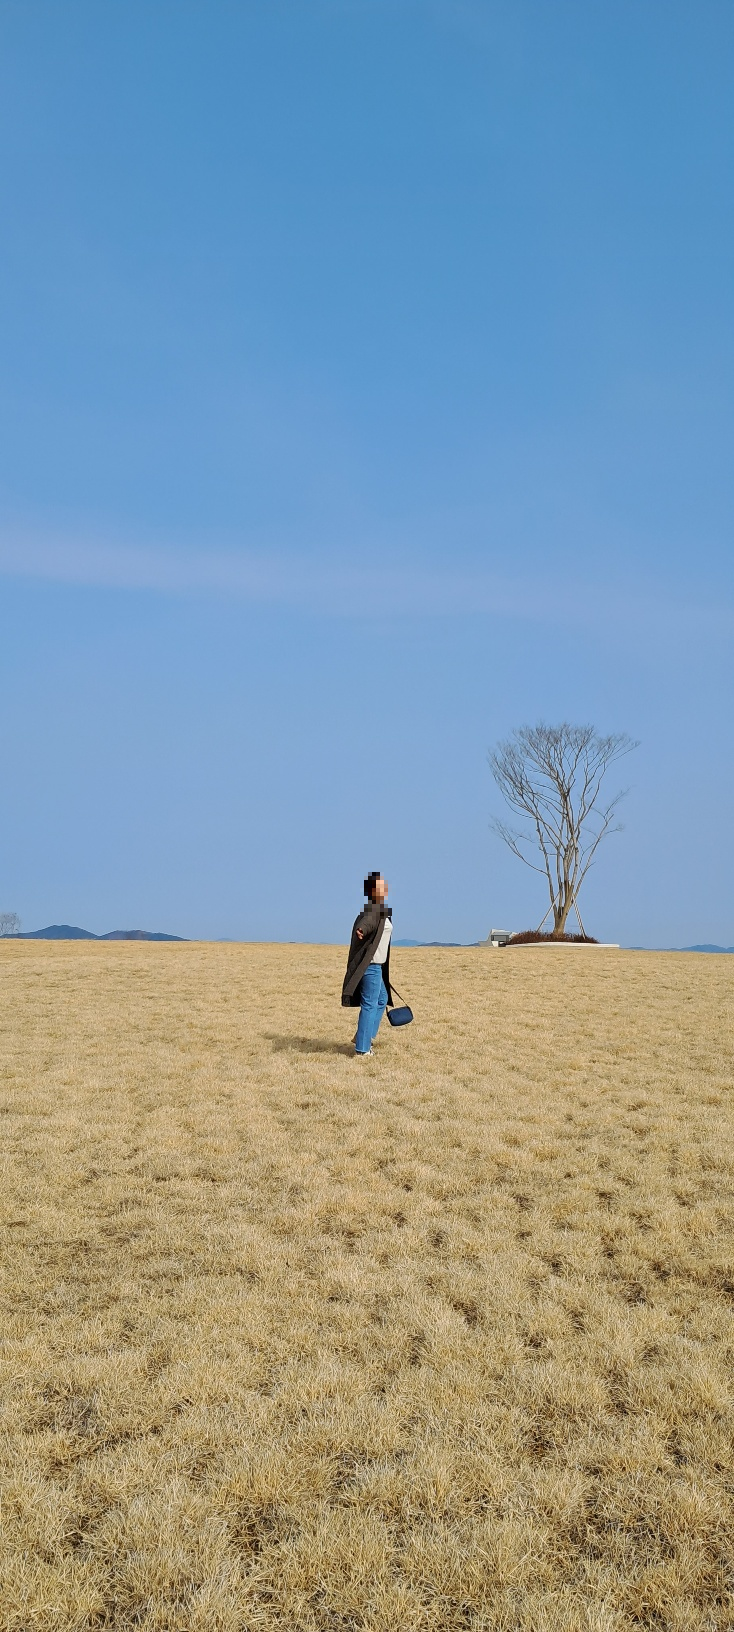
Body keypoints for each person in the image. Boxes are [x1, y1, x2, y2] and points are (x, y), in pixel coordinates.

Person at [341, 872, 393, 1056]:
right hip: (371, 967)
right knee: (370, 1004)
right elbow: (367, 923)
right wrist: (361, 930)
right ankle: (363, 1050)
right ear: (372, 890)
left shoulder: (380, 909)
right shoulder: (373, 909)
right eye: (380, 885)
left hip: (376, 966)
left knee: (381, 999)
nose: (384, 887)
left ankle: (363, 1035)